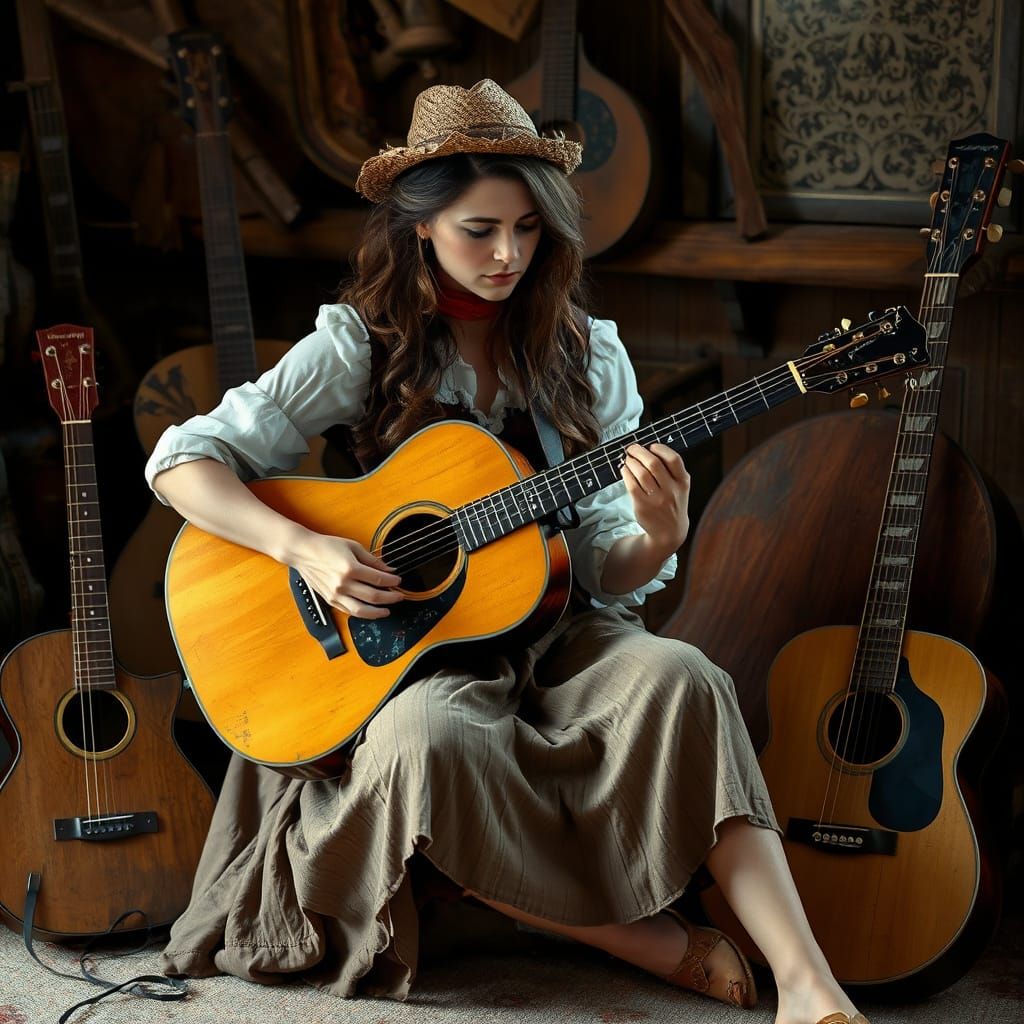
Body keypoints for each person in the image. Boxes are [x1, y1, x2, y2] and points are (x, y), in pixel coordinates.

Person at [146, 79, 869, 1024]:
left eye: (528, 230)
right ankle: (629, 936)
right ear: (419, 228)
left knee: (687, 677)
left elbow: (605, 563)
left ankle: (807, 982)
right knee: (424, 742)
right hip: (406, 660)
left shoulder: (584, 354)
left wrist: (657, 533)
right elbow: (181, 461)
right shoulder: (360, 344)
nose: (507, 255)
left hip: (560, 632)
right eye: (478, 230)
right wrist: (306, 548)